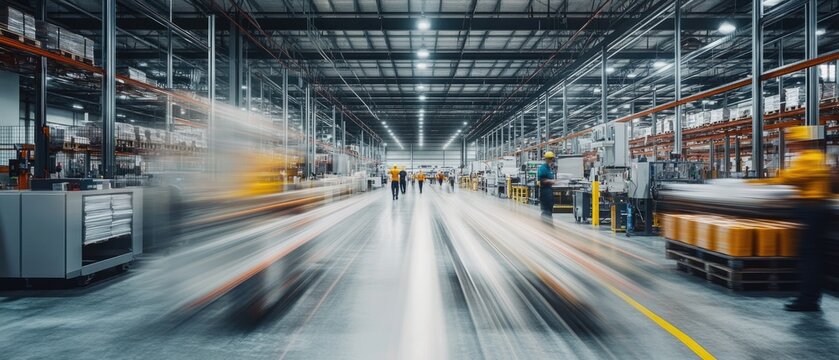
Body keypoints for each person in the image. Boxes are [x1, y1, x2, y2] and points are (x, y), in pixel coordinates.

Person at [754, 126, 831, 312]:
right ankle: (809, 296)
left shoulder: (810, 158)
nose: (792, 146)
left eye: (794, 142)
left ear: (802, 142)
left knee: (809, 256)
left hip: (812, 210)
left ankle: (808, 299)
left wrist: (764, 182)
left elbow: (792, 177)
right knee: (810, 255)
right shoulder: (813, 157)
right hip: (813, 209)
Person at [538, 151, 557, 220]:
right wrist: (551, 181)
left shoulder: (549, 168)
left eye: (552, 159)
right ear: (546, 159)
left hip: (549, 191)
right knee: (546, 211)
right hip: (544, 192)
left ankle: (548, 224)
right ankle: (545, 225)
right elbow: (541, 180)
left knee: (550, 209)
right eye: (550, 158)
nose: (551, 160)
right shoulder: (543, 168)